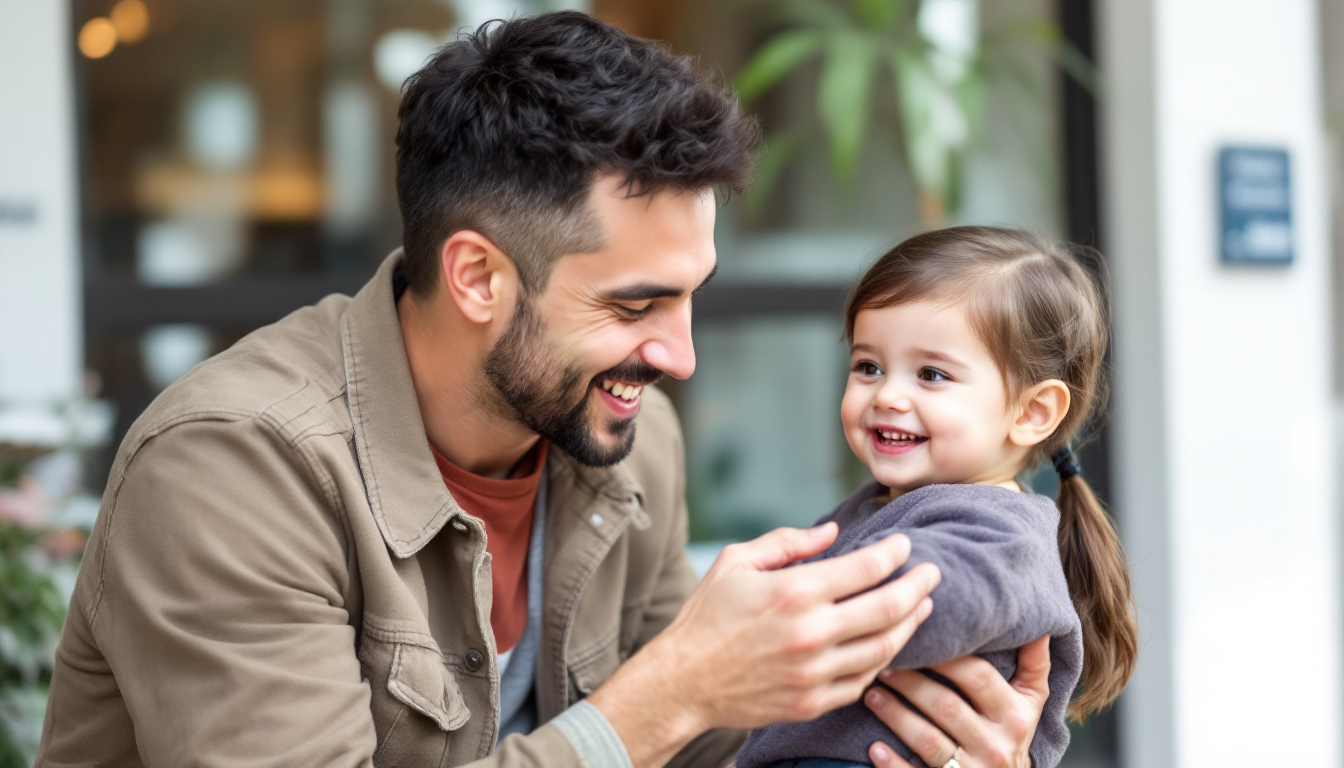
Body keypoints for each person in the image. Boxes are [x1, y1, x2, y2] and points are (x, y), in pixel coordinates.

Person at [37, 14, 1050, 768]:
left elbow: (691, 752)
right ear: (478, 276)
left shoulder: (625, 439)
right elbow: (657, 717)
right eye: (636, 304)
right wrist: (672, 691)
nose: (679, 358)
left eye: (691, 298)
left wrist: (913, 744)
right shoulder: (232, 467)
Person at [736, 227, 1139, 768]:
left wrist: (771, 609)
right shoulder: (877, 504)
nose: (887, 395)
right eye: (868, 366)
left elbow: (929, 605)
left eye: (931, 374)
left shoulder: (1003, 530)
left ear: (1032, 413)